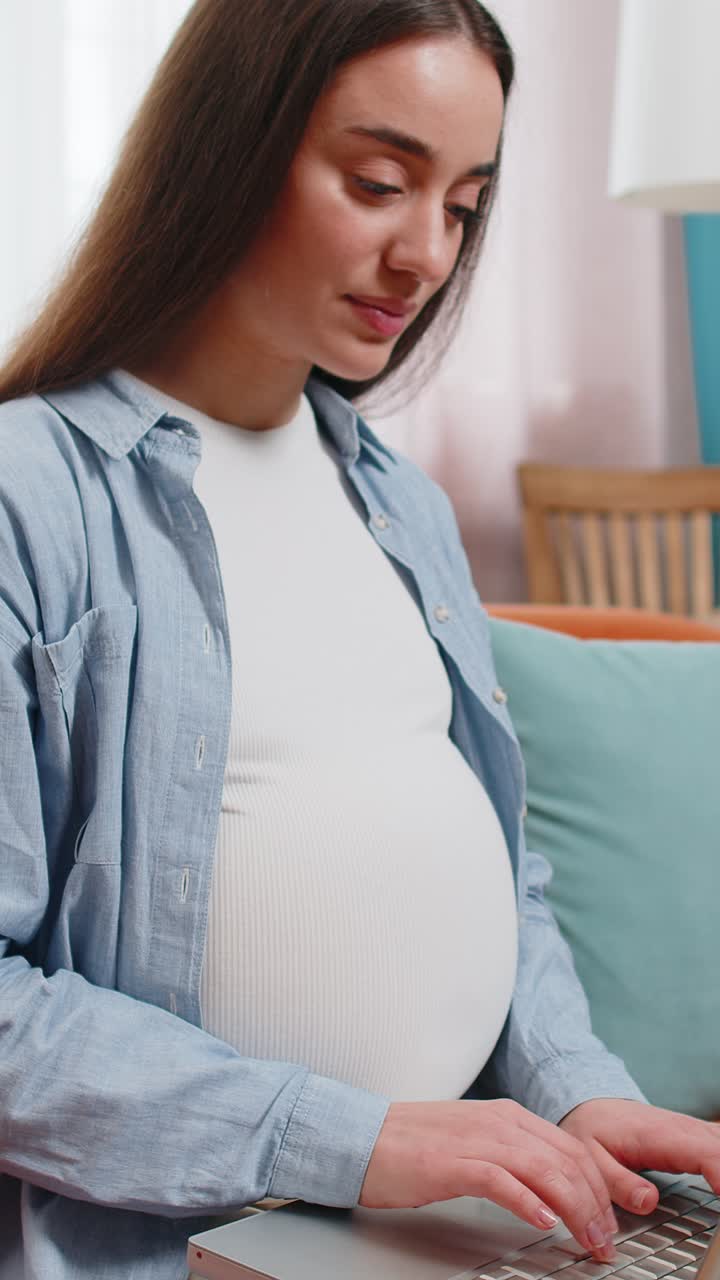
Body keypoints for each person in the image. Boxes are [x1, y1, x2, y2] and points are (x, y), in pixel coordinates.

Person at [0, 1, 719, 1277]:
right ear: (225, 148)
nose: (426, 254)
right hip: (198, 1241)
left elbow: (511, 868)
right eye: (381, 182)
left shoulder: (398, 502)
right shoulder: (30, 497)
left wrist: (576, 1091)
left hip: (452, 1224)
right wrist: (350, 1138)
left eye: (464, 204)